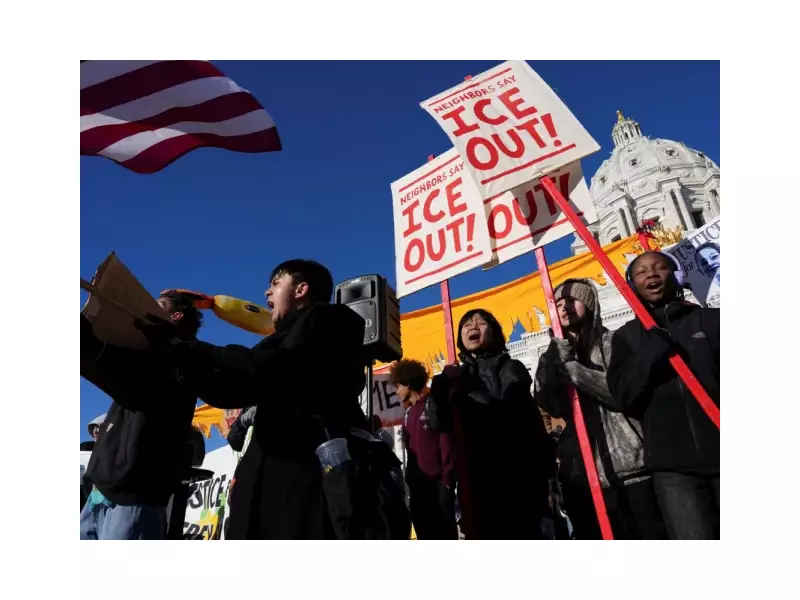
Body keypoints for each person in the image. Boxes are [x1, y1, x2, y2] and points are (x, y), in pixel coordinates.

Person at [141, 259, 369, 539]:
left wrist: (188, 349)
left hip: (303, 491)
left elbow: (266, 367)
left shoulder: (330, 321)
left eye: (275, 283)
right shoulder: (281, 340)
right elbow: (229, 389)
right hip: (264, 493)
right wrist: (178, 349)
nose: (266, 293)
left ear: (301, 289)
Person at [535, 278, 666, 540]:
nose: (565, 307)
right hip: (581, 473)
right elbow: (550, 403)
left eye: (572, 300)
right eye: (558, 303)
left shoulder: (614, 342)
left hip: (629, 469)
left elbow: (620, 393)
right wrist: (554, 360)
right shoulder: (552, 355)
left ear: (589, 303)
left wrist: (573, 369)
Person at [607, 251, 720, 540]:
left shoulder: (710, 320)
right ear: (632, 285)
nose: (652, 275)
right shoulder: (627, 337)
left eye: (660, 268)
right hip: (674, 467)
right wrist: (650, 351)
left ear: (677, 275)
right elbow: (624, 396)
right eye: (641, 272)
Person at [79, 291, 204, 540]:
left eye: (159, 305)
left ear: (175, 315)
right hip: (100, 493)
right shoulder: (145, 352)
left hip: (134, 500)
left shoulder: (181, 361)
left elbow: (124, 374)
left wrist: (90, 346)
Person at [427, 309, 554, 540]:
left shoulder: (510, 368)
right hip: (474, 485)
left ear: (494, 332)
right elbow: (437, 423)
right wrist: (440, 390)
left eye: (481, 323)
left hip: (513, 483)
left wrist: (466, 395)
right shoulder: (455, 378)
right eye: (466, 324)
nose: (472, 327)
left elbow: (507, 416)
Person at [392, 359, 457, 540]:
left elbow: (446, 443)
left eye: (398, 386)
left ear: (408, 382)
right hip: (417, 488)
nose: (397, 391)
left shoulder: (432, 406)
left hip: (437, 487)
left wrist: (446, 481)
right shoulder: (407, 414)